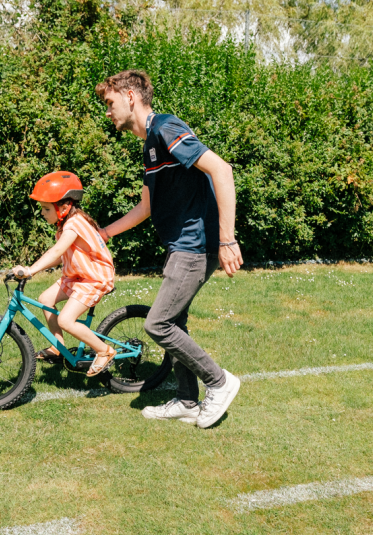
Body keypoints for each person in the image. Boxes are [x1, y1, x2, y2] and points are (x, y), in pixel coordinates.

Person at [95, 70, 244, 428]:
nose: (108, 111)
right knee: (175, 322)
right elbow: (146, 207)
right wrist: (105, 233)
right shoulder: (150, 145)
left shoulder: (166, 129)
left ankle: (219, 382)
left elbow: (222, 171)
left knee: (158, 324)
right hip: (181, 246)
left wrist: (227, 239)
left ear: (131, 96)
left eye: (110, 103)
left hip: (195, 246)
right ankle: (188, 401)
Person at [13, 171, 117, 377]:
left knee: (66, 320)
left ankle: (104, 351)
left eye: (45, 208)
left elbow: (57, 251)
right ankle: (57, 348)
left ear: (64, 207)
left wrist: (30, 270)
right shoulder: (63, 227)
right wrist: (31, 268)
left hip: (93, 278)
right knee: (45, 299)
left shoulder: (74, 223)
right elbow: (56, 256)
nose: (42, 213)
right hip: (77, 276)